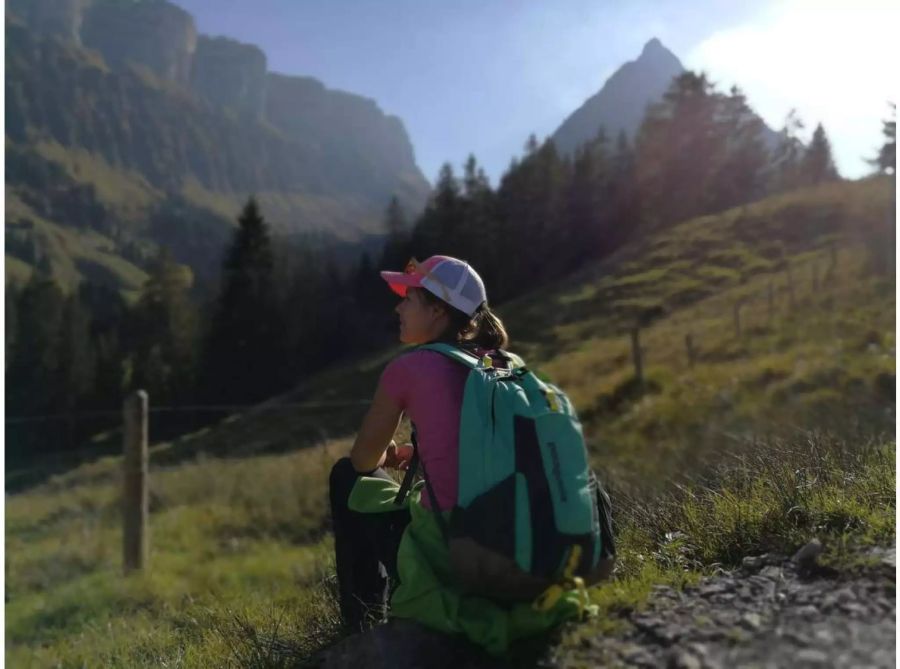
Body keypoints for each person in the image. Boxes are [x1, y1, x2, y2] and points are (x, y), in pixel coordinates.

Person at [328, 255, 605, 654]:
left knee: (344, 476)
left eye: (409, 297)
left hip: (454, 548)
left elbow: (362, 462)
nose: (398, 306)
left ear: (438, 308)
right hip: (524, 535)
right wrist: (418, 450)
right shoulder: (503, 364)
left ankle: (363, 622)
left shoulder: (408, 368)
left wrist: (385, 453)